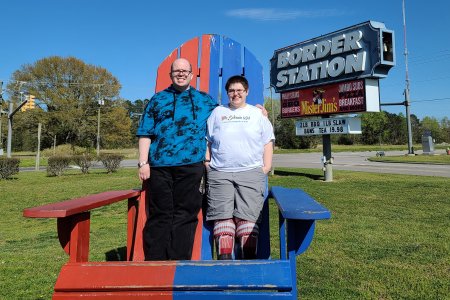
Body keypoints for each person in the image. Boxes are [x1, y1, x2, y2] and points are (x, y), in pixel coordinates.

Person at [136, 58, 217, 260]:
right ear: (171, 74)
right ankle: (155, 262)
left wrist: (257, 112)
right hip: (160, 167)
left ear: (192, 74)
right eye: (176, 71)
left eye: (184, 71)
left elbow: (229, 116)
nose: (180, 74)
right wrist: (143, 162)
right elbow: (145, 132)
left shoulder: (205, 101)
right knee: (160, 213)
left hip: (191, 166)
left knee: (186, 215)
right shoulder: (158, 99)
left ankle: (179, 262)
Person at [205, 75, 275, 260]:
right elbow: (208, 141)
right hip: (220, 172)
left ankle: (247, 260)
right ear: (227, 93)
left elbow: (267, 141)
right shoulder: (217, 112)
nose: (235, 94)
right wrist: (207, 164)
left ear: (246, 92)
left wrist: (266, 167)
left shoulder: (257, 114)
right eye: (231, 91)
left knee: (248, 218)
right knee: (222, 216)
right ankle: (225, 260)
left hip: (251, 171)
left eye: (239, 90)